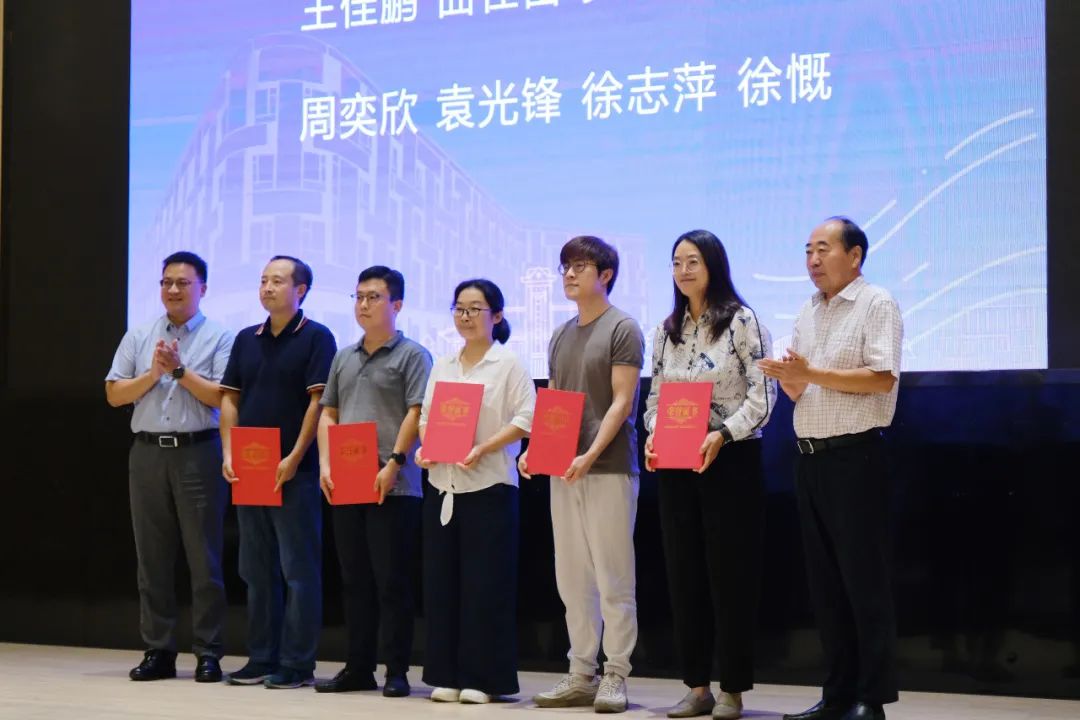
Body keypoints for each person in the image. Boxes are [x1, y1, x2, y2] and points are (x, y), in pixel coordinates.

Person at [759, 217, 903, 720]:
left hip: (855, 458)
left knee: (864, 584)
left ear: (855, 255)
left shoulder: (876, 303)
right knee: (827, 588)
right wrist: (787, 378)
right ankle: (837, 694)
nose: (813, 260)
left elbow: (882, 378)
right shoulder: (808, 310)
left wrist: (810, 373)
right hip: (810, 460)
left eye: (824, 249)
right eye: (808, 251)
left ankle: (871, 698)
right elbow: (802, 389)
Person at [642, 230, 775, 719]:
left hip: (730, 460)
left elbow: (763, 396)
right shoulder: (665, 330)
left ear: (713, 265)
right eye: (676, 262)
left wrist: (723, 435)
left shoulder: (741, 321)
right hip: (678, 462)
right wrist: (653, 434)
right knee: (684, 575)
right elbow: (654, 399)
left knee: (731, 576)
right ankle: (696, 686)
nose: (683, 270)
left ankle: (732, 689)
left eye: (693, 261)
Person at [520, 236, 644, 714]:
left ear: (605, 274)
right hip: (563, 469)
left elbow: (622, 401)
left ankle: (616, 674)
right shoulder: (560, 334)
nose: (569, 275)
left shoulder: (623, 327)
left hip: (609, 468)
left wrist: (590, 454)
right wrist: (536, 450)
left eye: (580, 266)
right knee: (571, 576)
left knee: (614, 576)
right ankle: (580, 672)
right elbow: (555, 402)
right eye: (565, 267)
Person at [105, 251, 234, 683]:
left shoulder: (220, 337)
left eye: (182, 283)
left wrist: (178, 371)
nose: (173, 290)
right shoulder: (140, 334)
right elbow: (114, 394)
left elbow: (221, 397)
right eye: (166, 282)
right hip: (147, 453)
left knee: (204, 556)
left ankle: (208, 651)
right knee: (152, 558)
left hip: (198, 450)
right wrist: (153, 374)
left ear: (203, 288)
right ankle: (158, 650)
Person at [415, 279, 535, 705]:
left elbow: (526, 418)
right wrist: (428, 448)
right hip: (443, 484)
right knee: (442, 583)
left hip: (490, 486)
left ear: (496, 316)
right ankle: (445, 674)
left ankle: (483, 678)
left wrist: (484, 447)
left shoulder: (508, 364)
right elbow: (427, 417)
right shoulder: (443, 364)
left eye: (475, 309)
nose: (465, 316)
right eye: (459, 308)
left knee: (485, 587)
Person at [219, 255, 337, 689]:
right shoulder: (246, 338)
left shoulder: (317, 337)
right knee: (255, 569)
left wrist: (295, 456)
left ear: (300, 290)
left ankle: (297, 663)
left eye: (278, 281)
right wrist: (228, 452)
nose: (267, 287)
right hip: (249, 469)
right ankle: (261, 657)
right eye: (263, 280)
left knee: (298, 571)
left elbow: (318, 403)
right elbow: (229, 398)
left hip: (295, 472)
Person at [315, 266, 432, 697]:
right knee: (354, 581)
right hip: (347, 482)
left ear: (396, 304)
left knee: (392, 582)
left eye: (374, 297)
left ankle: (396, 670)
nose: (363, 305)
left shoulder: (413, 355)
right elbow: (329, 412)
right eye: (359, 297)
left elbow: (417, 412)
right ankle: (358, 667)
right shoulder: (344, 356)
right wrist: (325, 465)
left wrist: (395, 462)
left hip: (394, 485)